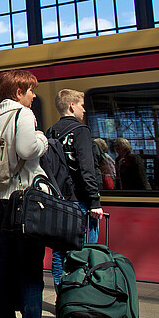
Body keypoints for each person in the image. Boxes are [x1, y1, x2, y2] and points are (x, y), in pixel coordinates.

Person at [0, 69, 59, 318]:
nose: (34, 95)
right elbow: (28, 149)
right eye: (30, 90)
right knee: (29, 269)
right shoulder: (23, 114)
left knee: (4, 266)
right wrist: (43, 139)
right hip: (22, 200)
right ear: (18, 93)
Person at [47, 89, 105, 286]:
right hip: (79, 200)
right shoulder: (81, 131)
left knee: (59, 251)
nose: (85, 110)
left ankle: (61, 294)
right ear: (71, 106)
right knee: (85, 250)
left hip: (58, 200)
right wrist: (95, 201)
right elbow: (86, 169)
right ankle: (81, 293)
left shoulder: (51, 131)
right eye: (82, 105)